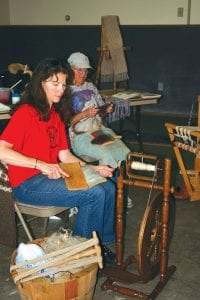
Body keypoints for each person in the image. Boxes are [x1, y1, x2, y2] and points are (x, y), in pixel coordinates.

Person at [0, 57, 116, 265]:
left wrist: (93, 167)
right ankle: (81, 253)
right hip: (27, 183)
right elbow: (2, 150)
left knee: (107, 187)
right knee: (93, 194)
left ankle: (101, 244)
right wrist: (41, 165)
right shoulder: (26, 113)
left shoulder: (55, 115)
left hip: (50, 176)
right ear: (40, 83)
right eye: (55, 83)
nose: (60, 89)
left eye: (63, 84)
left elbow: (65, 156)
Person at [67, 52, 133, 208]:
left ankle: (119, 193)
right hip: (80, 137)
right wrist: (83, 114)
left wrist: (105, 110)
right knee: (107, 155)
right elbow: (63, 121)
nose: (83, 74)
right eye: (79, 70)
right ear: (70, 69)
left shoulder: (90, 86)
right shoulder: (63, 90)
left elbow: (100, 111)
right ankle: (105, 195)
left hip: (98, 131)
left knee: (124, 154)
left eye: (86, 70)